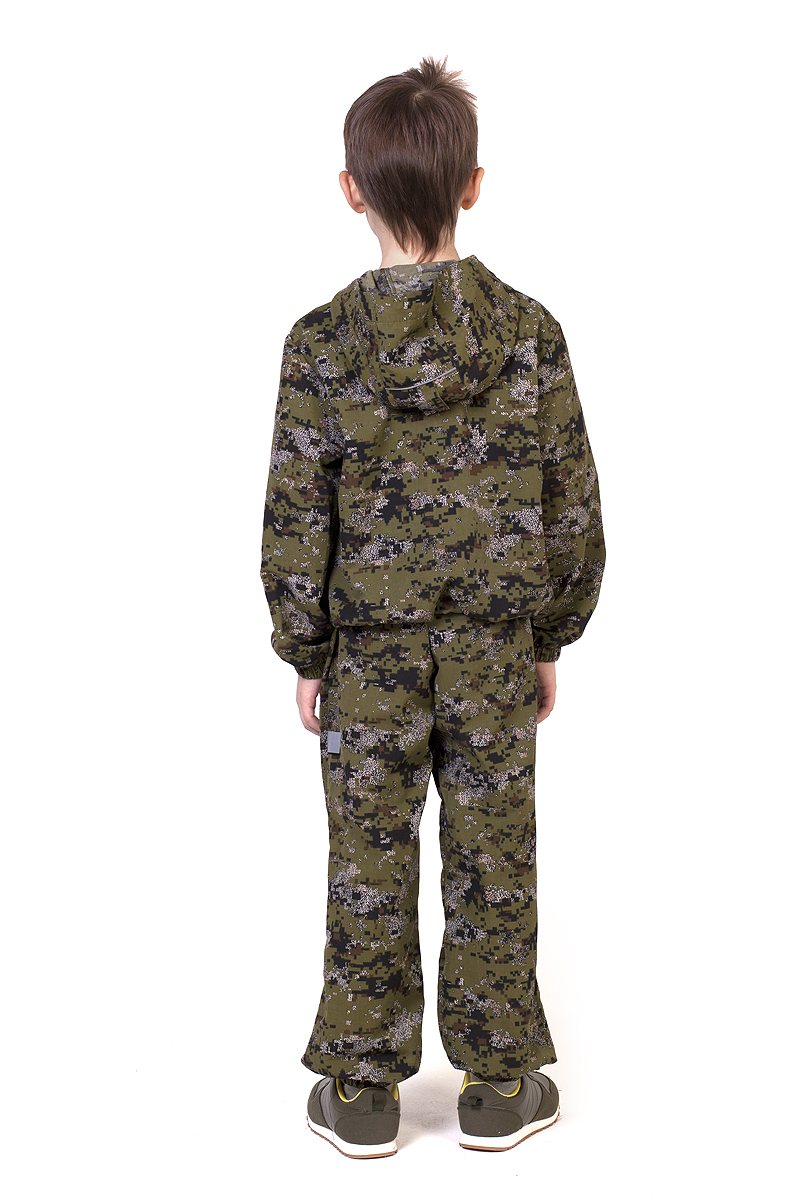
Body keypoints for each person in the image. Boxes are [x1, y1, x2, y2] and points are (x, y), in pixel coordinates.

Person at [260, 56, 605, 1158]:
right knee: (493, 851)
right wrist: (548, 635)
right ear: (473, 186)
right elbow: (569, 504)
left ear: (350, 190)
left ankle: (361, 1090)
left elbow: (296, 516)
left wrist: (306, 650)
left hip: (366, 656)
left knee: (368, 853)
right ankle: (498, 1085)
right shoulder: (530, 334)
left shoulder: (321, 343)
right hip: (494, 648)